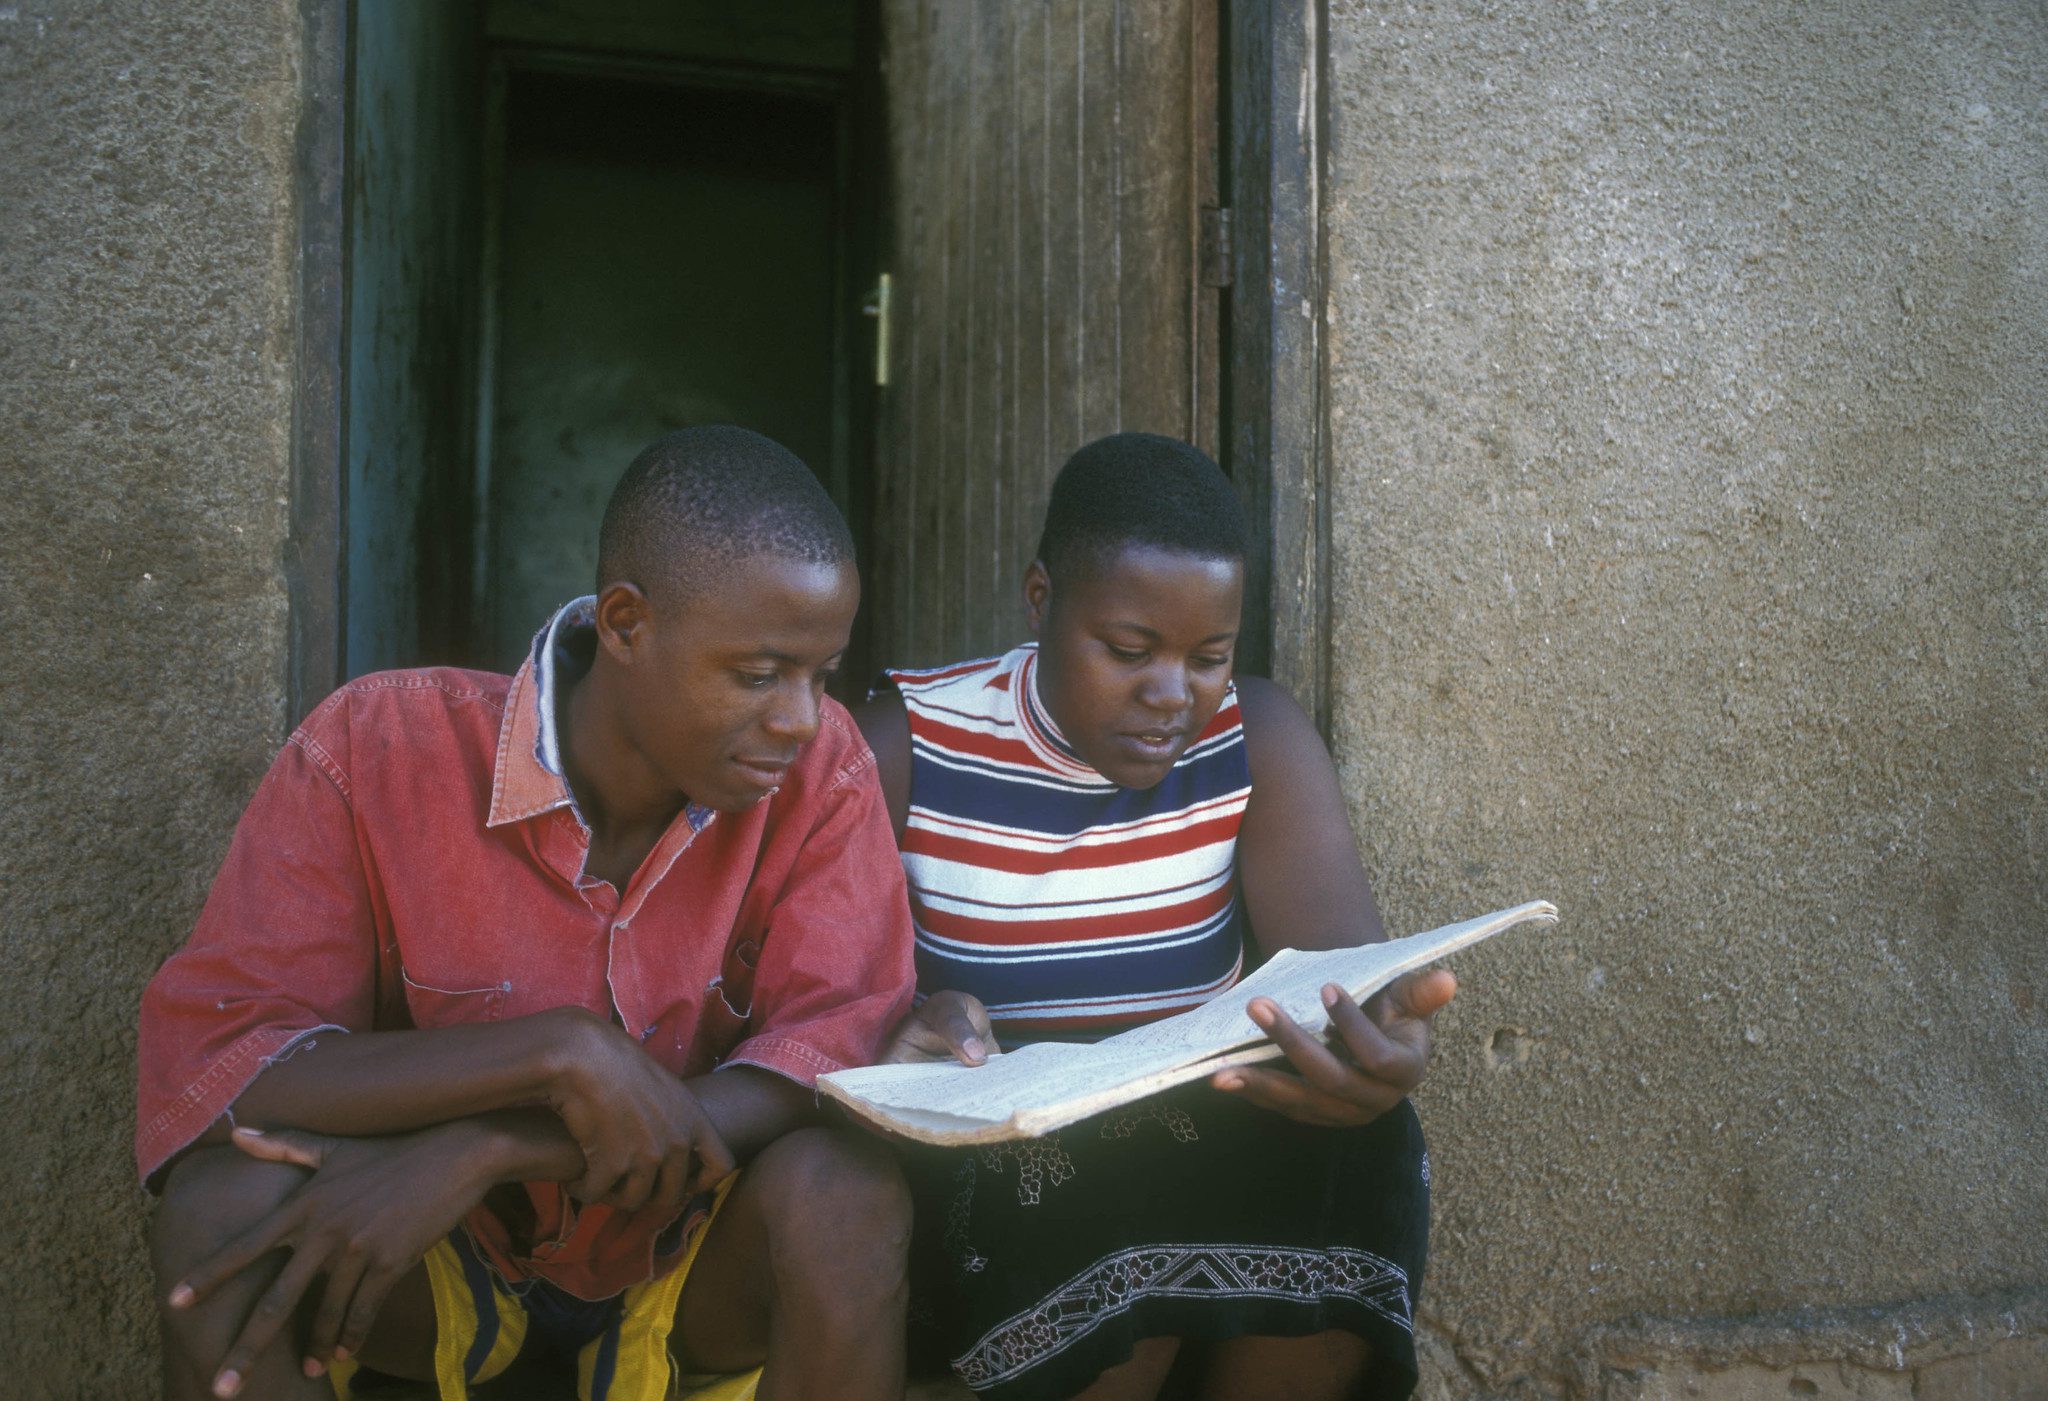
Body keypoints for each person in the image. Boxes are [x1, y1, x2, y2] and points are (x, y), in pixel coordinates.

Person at [138, 426, 918, 1401]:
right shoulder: (374, 748)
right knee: (221, 1211)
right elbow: (222, 1074)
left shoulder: (821, 772)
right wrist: (554, 1053)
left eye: (821, 674)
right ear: (626, 625)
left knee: (845, 1193)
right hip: (424, 1257)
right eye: (758, 675)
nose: (801, 717)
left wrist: (488, 1145)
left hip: (689, 1267)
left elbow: (831, 1070)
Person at [860, 433, 1457, 1401]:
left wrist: (1378, 1046)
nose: (1172, 696)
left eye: (1208, 656)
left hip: (1197, 1153)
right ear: (1041, 599)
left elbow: (1351, 980)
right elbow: (816, 1021)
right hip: (1000, 1190)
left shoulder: (1252, 738)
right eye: (1129, 650)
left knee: (1369, 1145)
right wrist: (905, 1033)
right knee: (1099, 1189)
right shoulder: (907, 751)